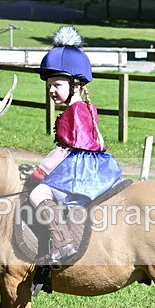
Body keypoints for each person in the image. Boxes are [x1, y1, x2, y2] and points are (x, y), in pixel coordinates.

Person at [29, 27, 123, 266]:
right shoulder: (86, 107)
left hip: (79, 169)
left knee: (38, 193)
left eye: (57, 84)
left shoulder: (75, 110)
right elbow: (98, 140)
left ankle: (63, 243)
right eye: (49, 84)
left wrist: (41, 170)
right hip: (92, 163)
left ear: (76, 85)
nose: (51, 90)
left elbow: (68, 149)